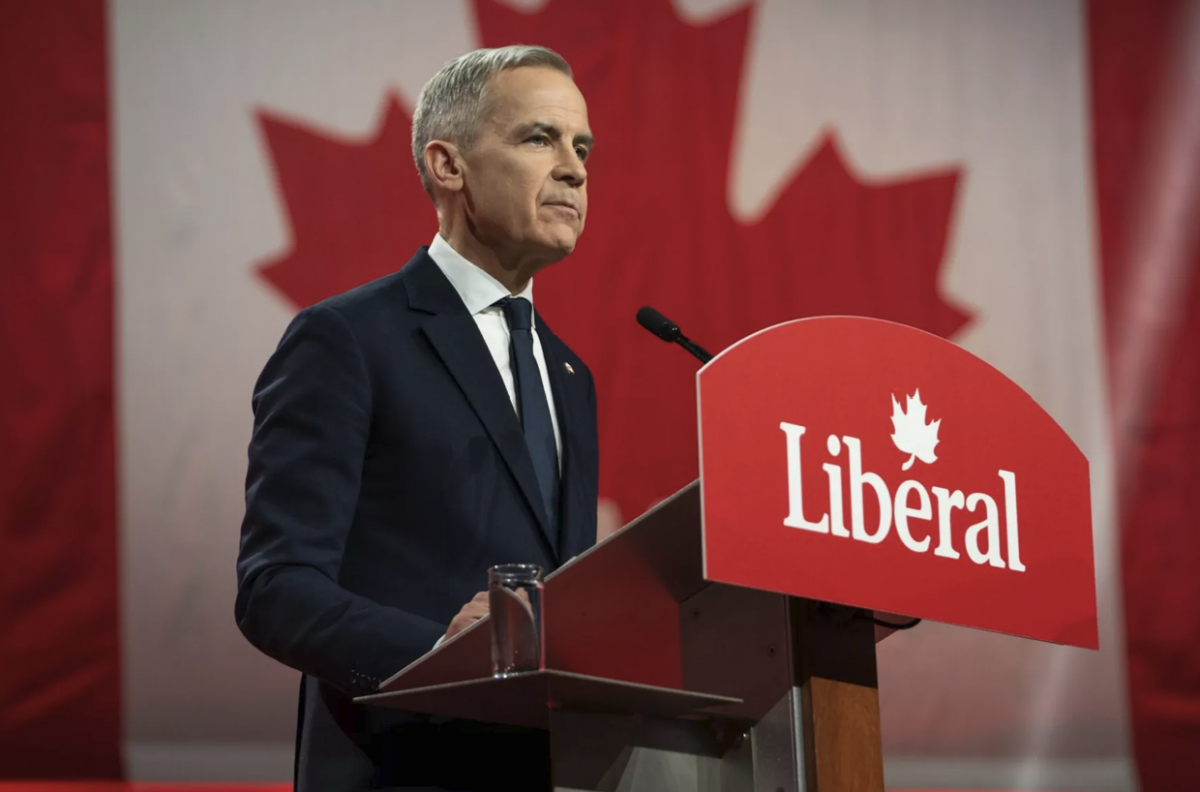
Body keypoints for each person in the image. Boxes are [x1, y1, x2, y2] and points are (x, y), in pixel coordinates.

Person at [234, 45, 598, 790]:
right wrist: (439, 653)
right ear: (448, 165)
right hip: (398, 766)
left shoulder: (571, 376)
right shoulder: (349, 339)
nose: (574, 169)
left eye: (582, 147)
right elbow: (274, 588)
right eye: (539, 138)